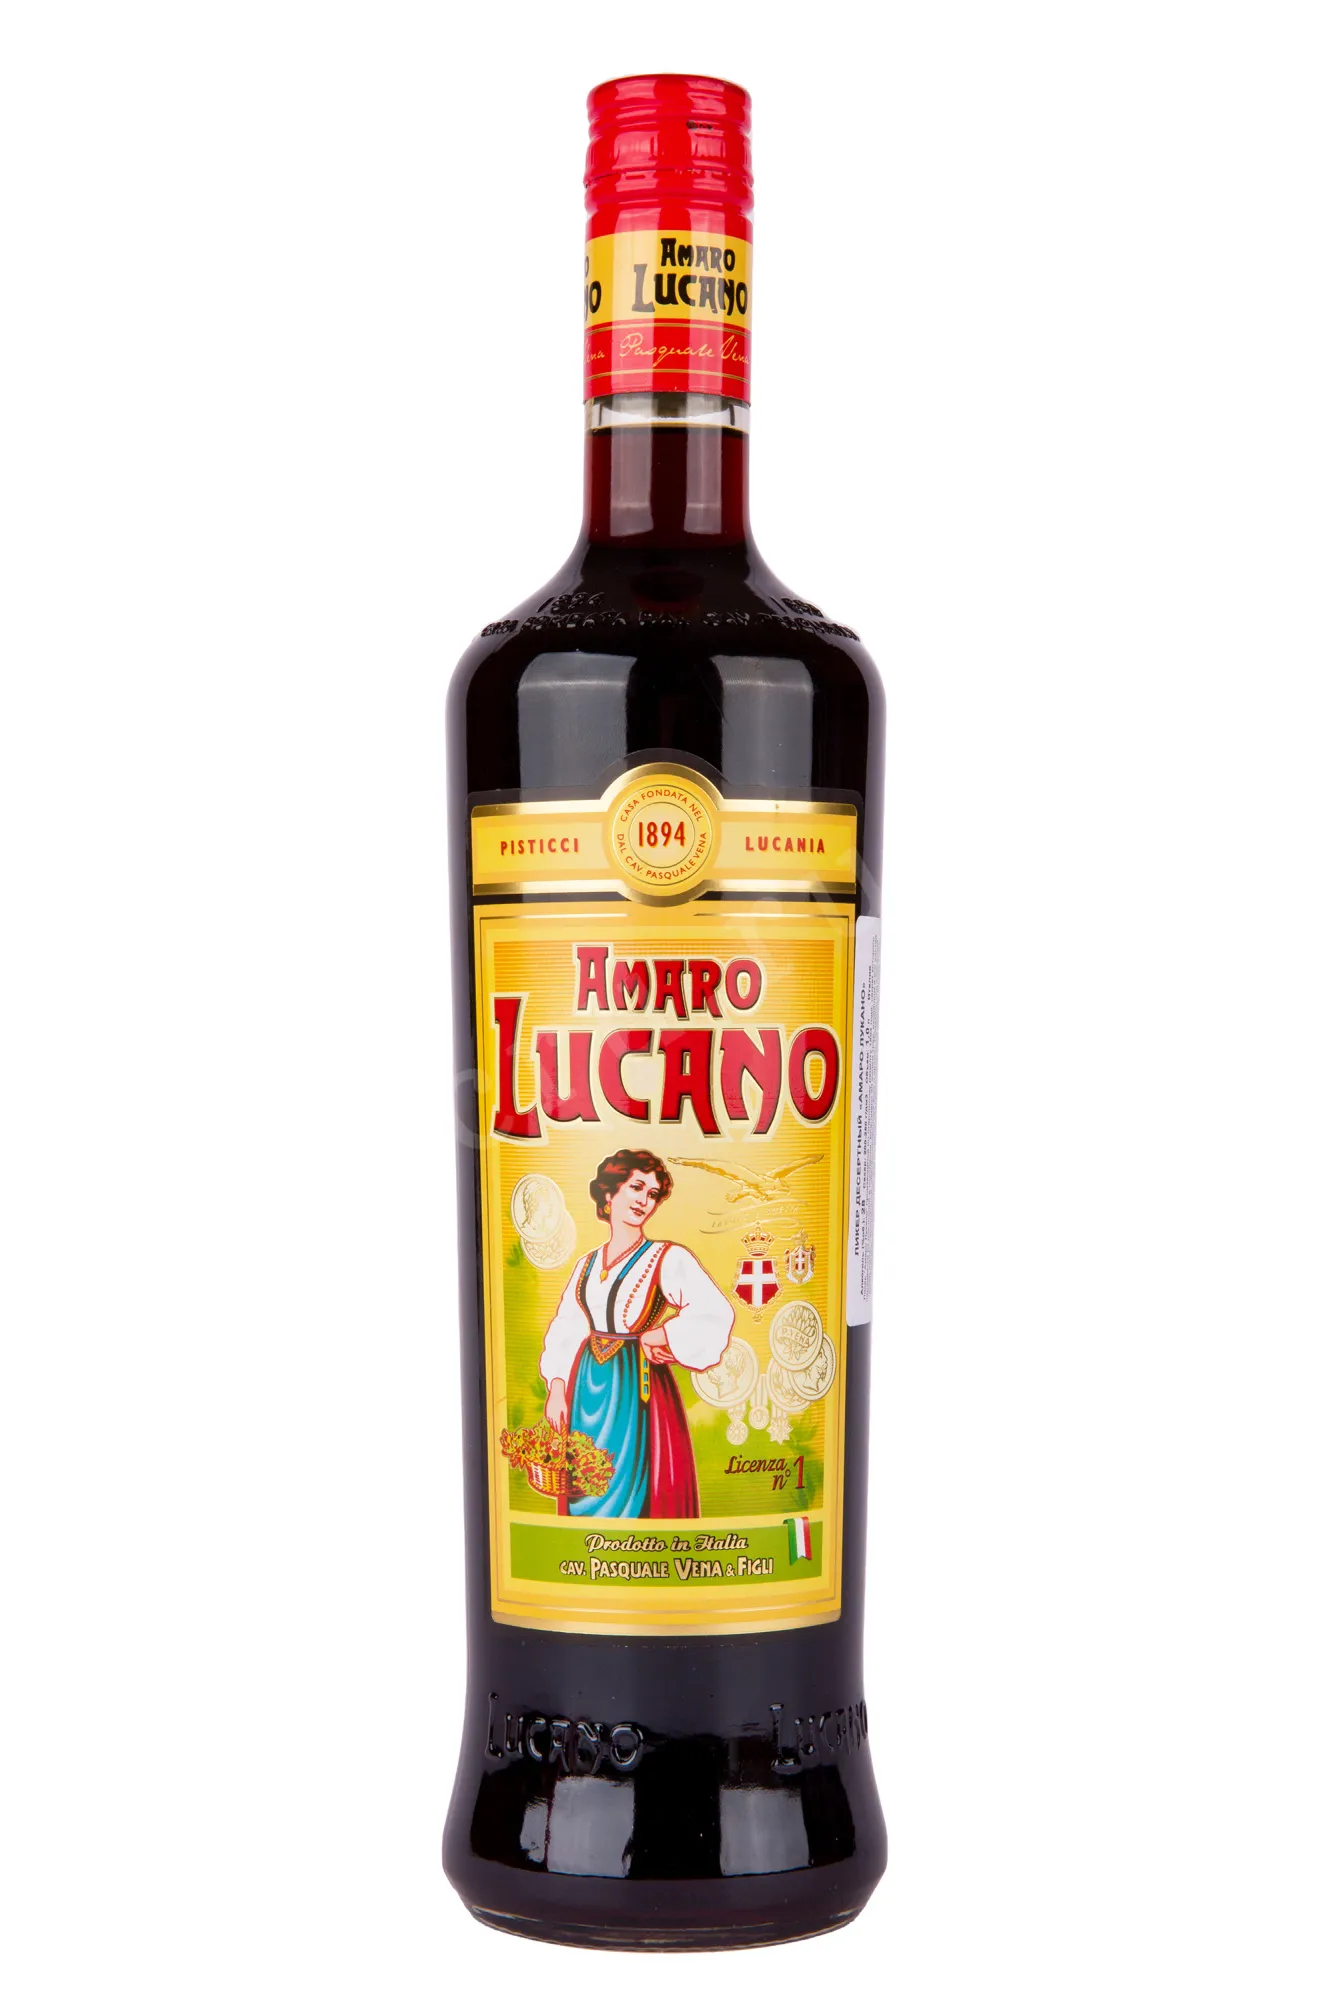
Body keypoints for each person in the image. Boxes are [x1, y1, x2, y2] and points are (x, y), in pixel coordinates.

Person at [539, 1149, 734, 1517]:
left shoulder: (666, 1257)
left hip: (639, 1392)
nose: (645, 1200)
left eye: (653, 1194)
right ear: (610, 1192)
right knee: (584, 1485)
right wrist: (558, 1388)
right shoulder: (586, 1265)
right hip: (587, 1391)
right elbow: (567, 1326)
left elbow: (715, 1312)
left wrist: (662, 1335)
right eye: (637, 1187)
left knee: (639, 1490)